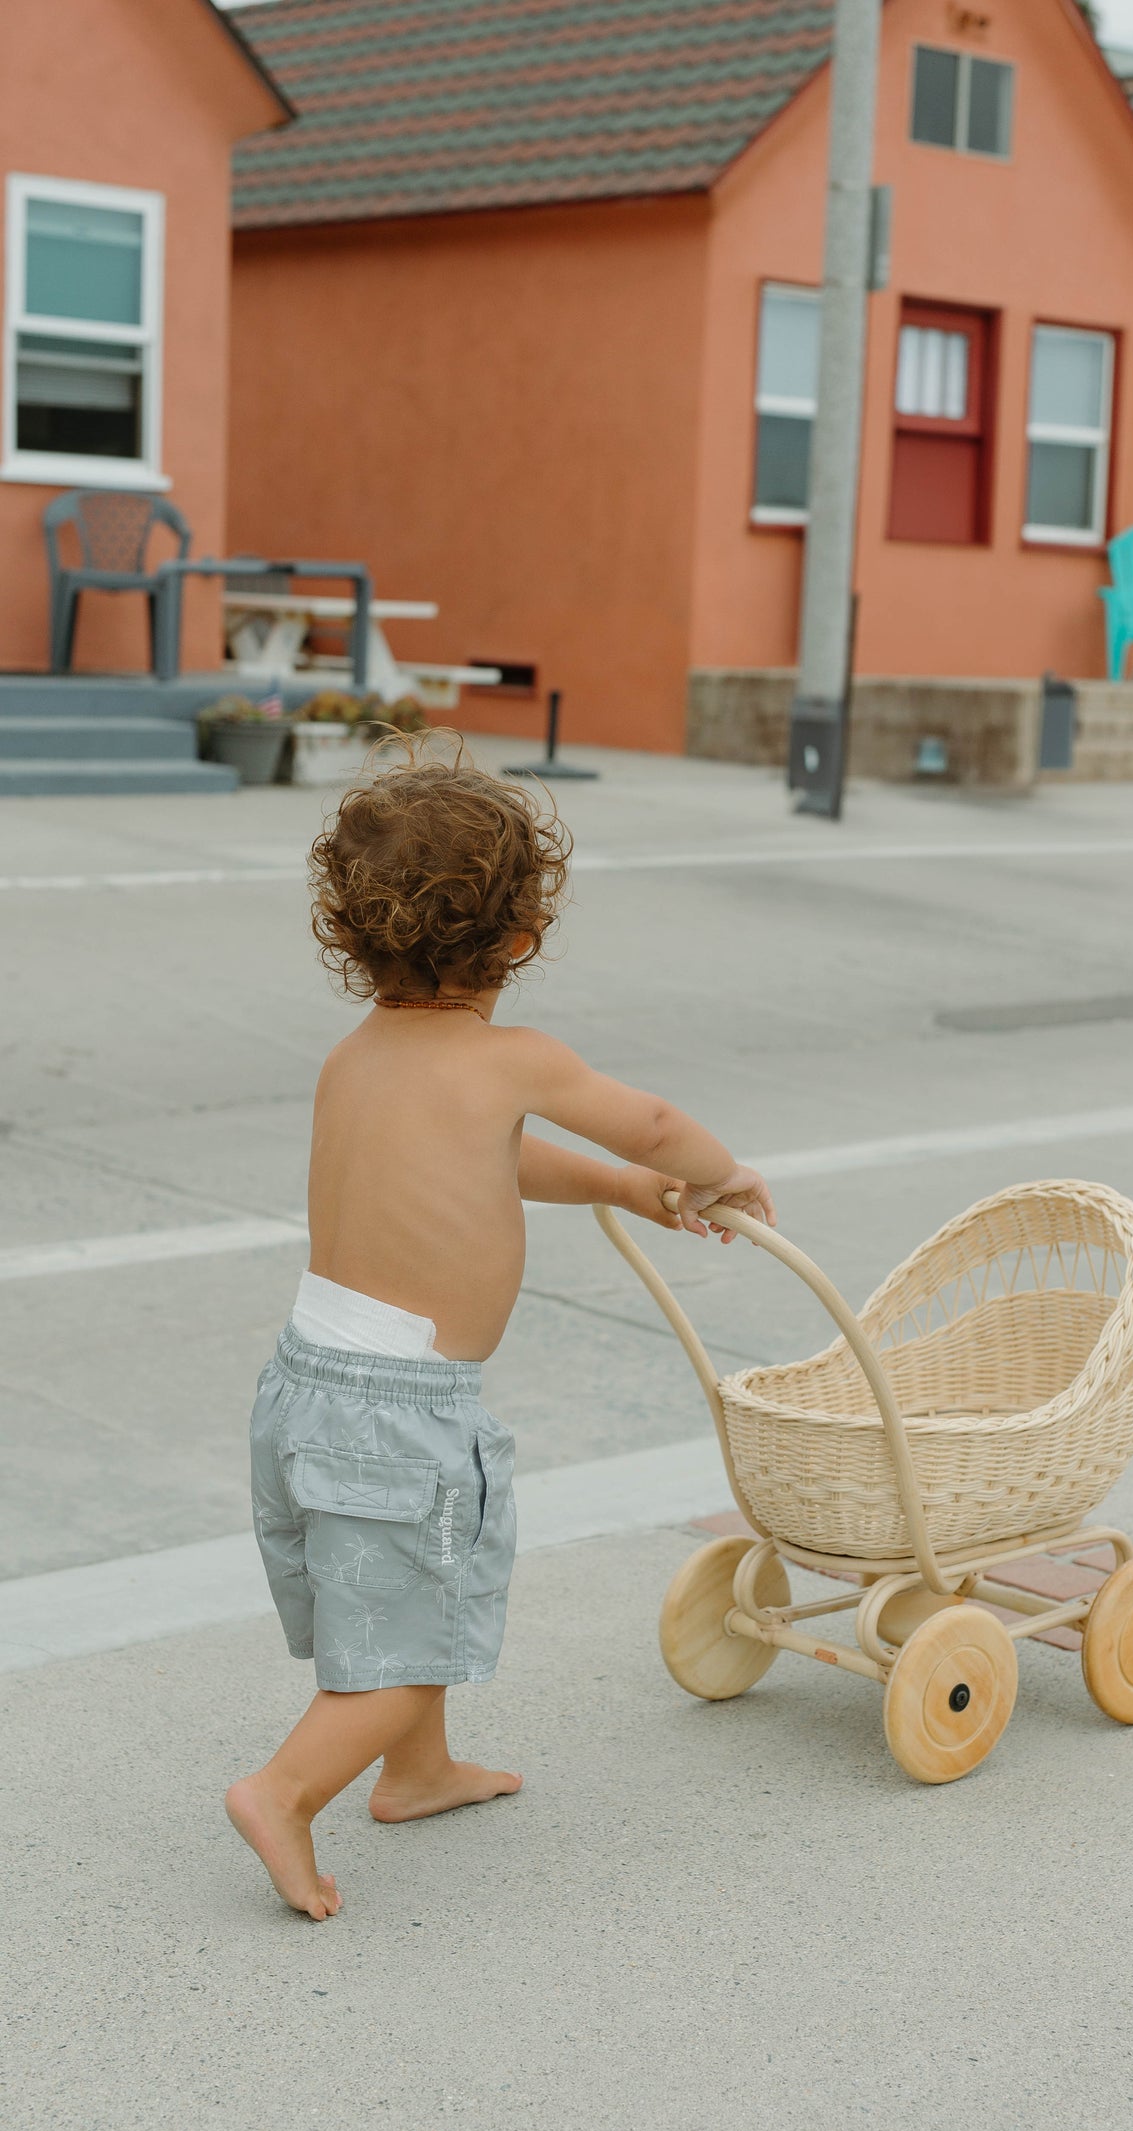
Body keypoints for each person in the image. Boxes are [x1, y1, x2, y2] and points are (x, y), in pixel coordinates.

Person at [225, 744, 774, 1920]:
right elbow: (659, 1122)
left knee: (401, 1590)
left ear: (354, 931)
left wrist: (623, 1191)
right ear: (519, 935)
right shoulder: (507, 1058)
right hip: (399, 1409)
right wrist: (711, 1173)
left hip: (307, 1383)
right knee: (414, 1631)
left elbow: (489, 1160)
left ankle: (416, 1773)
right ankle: (282, 1788)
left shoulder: (357, 1058)